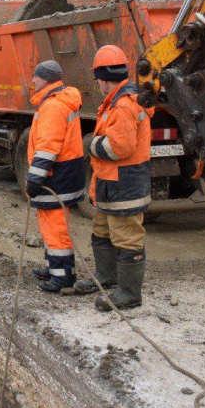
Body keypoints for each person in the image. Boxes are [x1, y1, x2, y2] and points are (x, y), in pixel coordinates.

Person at [74, 45, 152, 311]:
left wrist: (92, 145)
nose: (97, 85)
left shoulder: (122, 106)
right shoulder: (114, 103)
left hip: (125, 183)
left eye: (97, 80)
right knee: (101, 232)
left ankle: (129, 293)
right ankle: (107, 277)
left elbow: (119, 147)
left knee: (127, 237)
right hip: (111, 182)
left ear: (104, 78)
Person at [26, 60, 86, 293]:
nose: (32, 81)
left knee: (55, 226)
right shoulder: (61, 101)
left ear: (46, 79)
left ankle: (62, 278)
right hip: (63, 173)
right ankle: (54, 268)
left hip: (56, 176)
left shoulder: (53, 106)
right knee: (52, 224)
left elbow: (48, 146)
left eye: (36, 77)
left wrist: (35, 178)